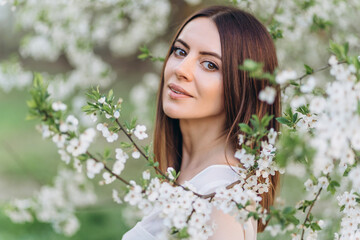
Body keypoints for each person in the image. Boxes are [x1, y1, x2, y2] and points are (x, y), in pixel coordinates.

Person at [123, 5, 280, 240]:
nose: (181, 69)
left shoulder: (224, 202)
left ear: (242, 87)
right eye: (180, 52)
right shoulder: (184, 176)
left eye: (210, 64)